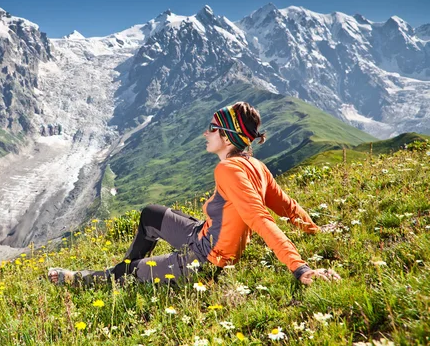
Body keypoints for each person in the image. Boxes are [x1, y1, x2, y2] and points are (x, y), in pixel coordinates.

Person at [48, 102, 341, 286]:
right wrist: (314, 229)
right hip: (201, 234)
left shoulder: (228, 171)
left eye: (213, 128)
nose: (206, 133)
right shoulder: (257, 166)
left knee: (132, 272)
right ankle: (121, 269)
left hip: (204, 260)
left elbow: (261, 218)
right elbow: (288, 207)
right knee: (151, 214)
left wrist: (299, 267)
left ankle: (88, 279)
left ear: (226, 137)